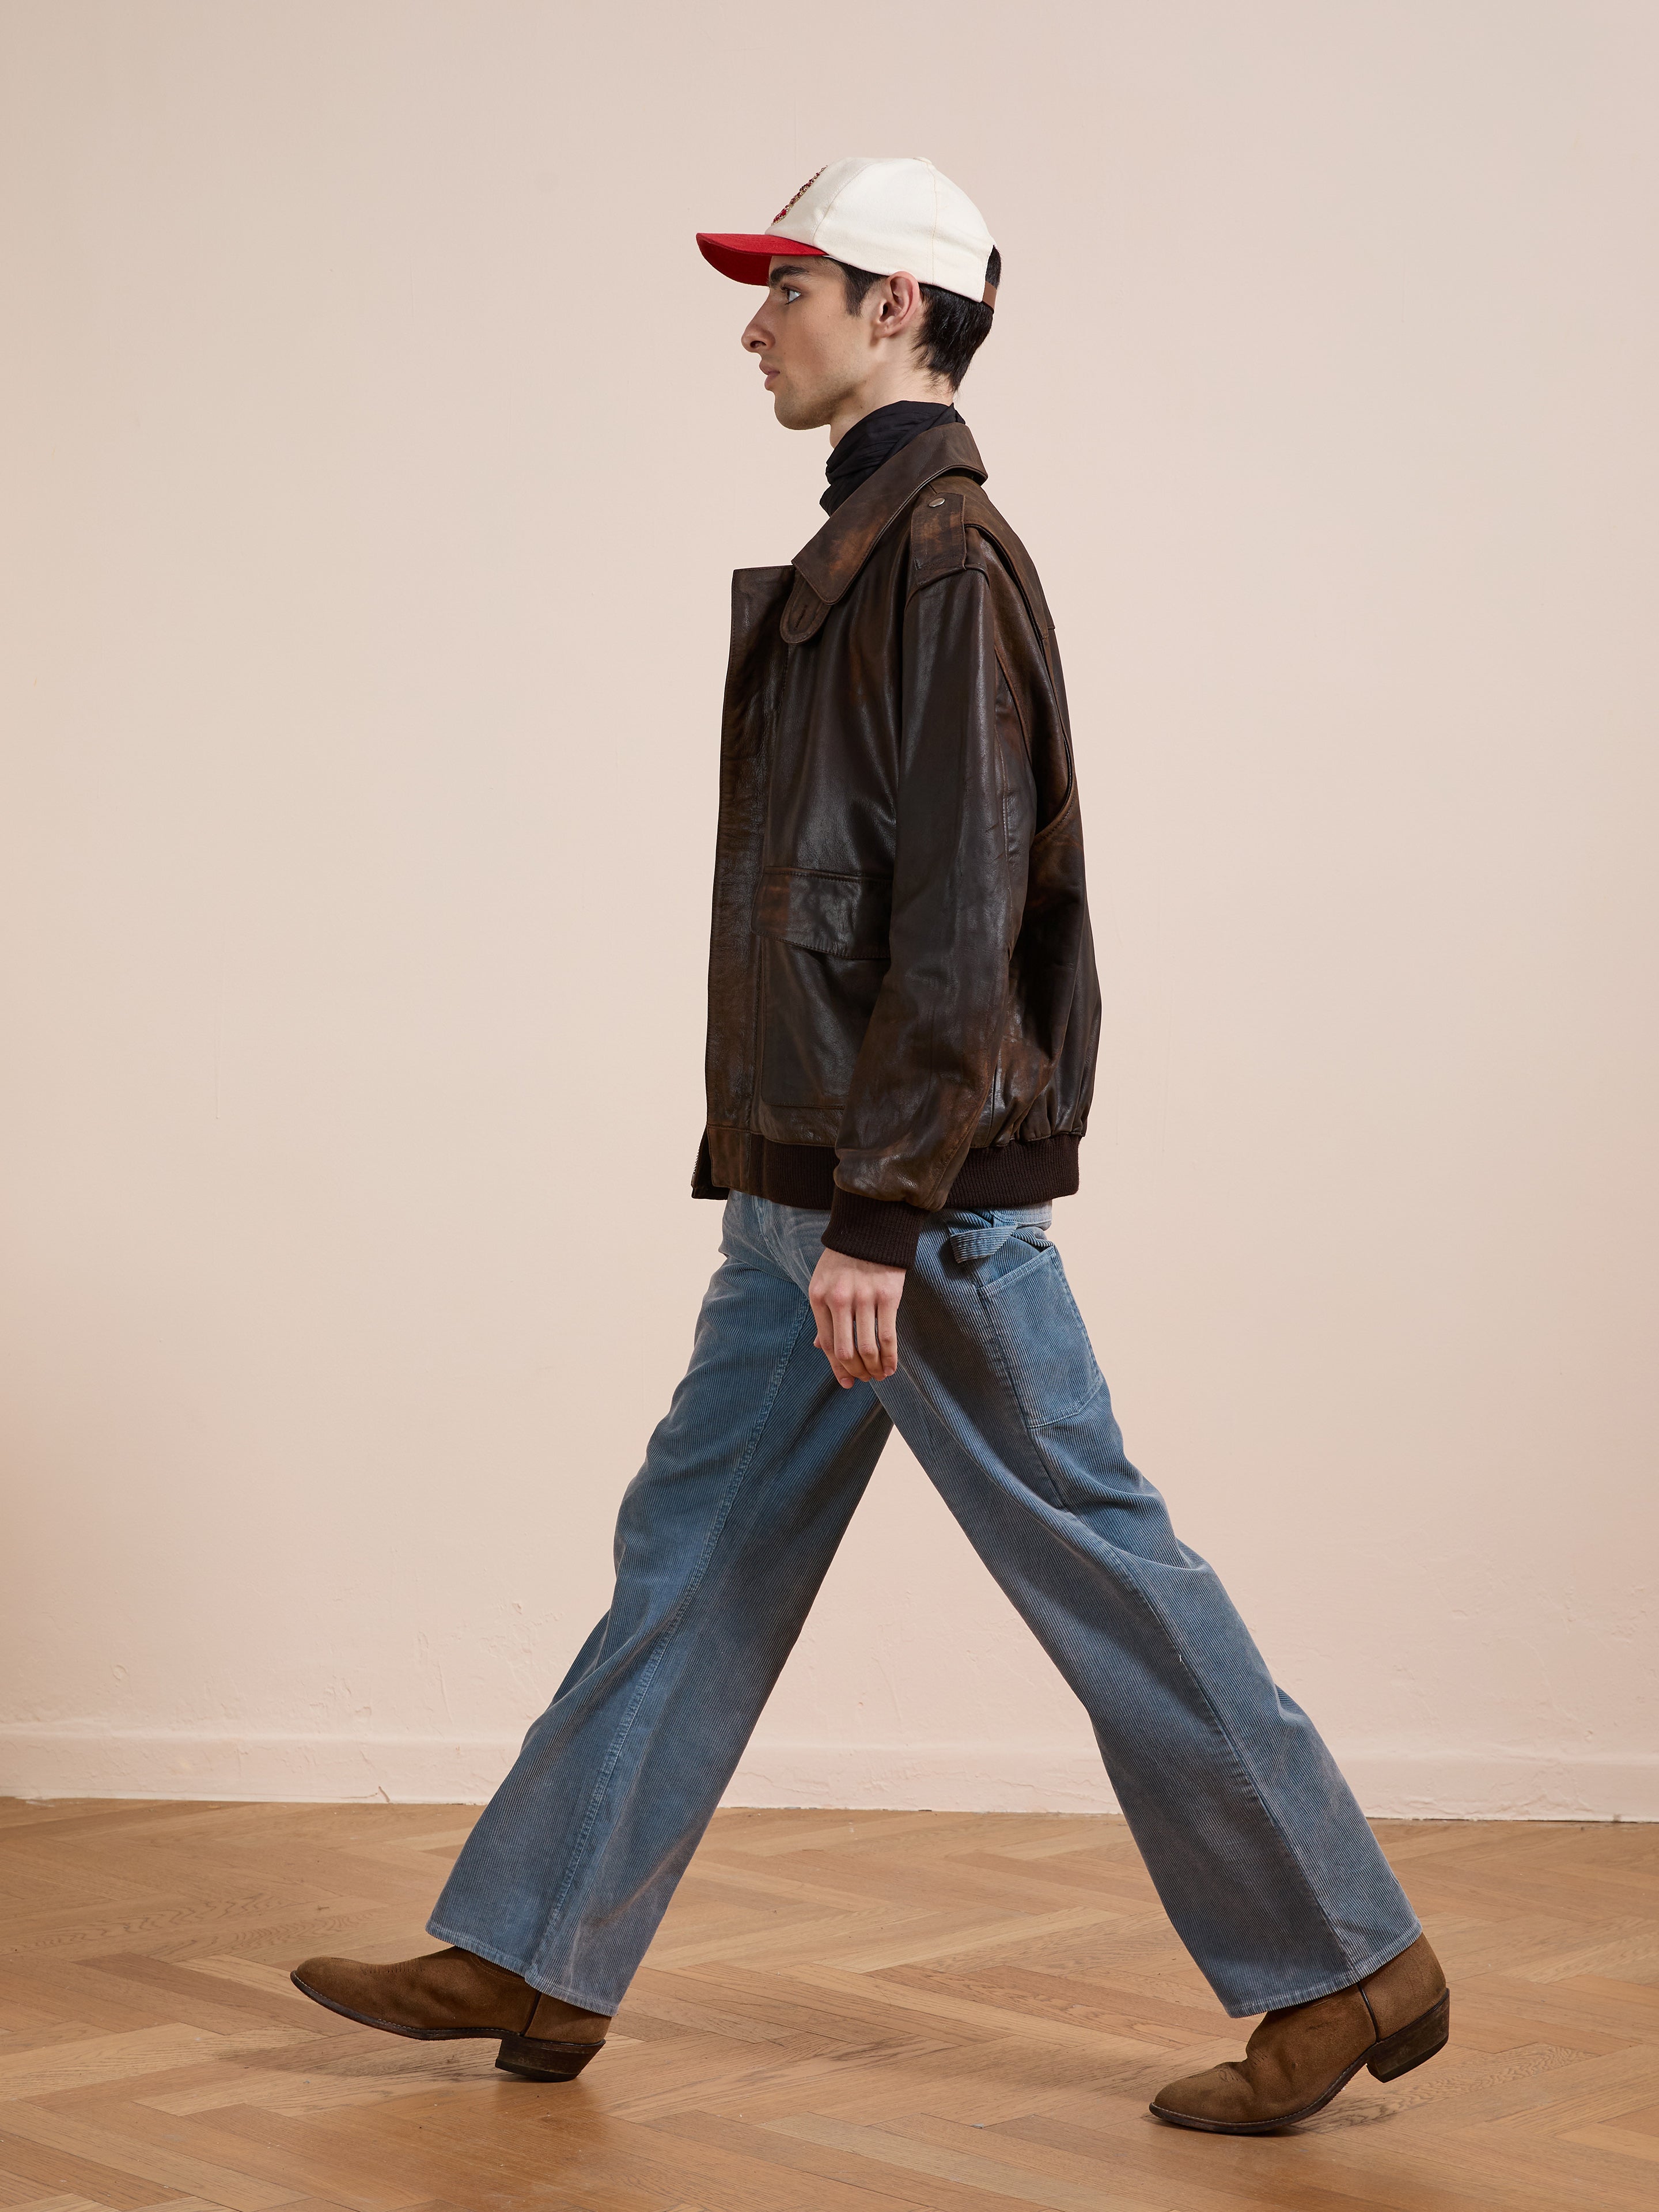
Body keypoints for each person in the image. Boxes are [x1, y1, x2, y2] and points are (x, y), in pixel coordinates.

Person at [291, 156, 1448, 2134]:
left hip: (903, 1210)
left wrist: (886, 1215)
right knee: (693, 1559)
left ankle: (1347, 1966)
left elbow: (962, 915)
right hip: (803, 1192)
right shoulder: (863, 550)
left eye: (791, 288)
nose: (757, 326)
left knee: (1100, 1563)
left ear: (896, 305)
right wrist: (808, 1193)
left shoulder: (945, 562)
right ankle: (541, 1947)